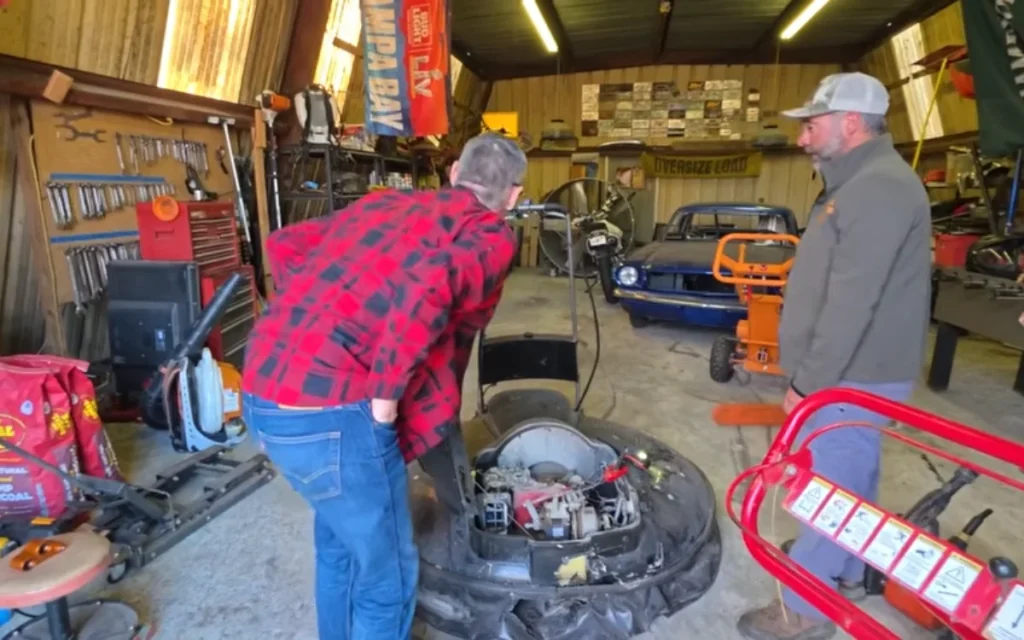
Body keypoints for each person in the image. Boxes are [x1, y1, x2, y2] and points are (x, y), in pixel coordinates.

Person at [241, 133, 526, 640]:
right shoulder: (491, 235)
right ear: (514, 196)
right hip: (333, 415)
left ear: (455, 171)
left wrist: (313, 324)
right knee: (387, 580)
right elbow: (427, 290)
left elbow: (284, 245)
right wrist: (385, 401)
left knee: (340, 543)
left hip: (262, 387)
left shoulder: (385, 204)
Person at [737, 72, 932, 640]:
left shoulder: (878, 188)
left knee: (826, 488)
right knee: (853, 474)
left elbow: (852, 300)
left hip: (850, 375)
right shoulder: (860, 182)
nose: (801, 138)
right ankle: (845, 567)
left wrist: (811, 381)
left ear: (850, 123)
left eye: (812, 125)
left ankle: (804, 608)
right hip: (858, 372)